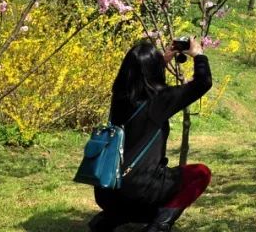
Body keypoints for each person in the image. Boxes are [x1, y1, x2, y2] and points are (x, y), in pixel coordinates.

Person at [89, 38, 212, 232]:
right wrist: (199, 55)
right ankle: (159, 225)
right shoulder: (160, 100)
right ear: (153, 71)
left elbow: (140, 77)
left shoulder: (120, 96)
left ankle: (112, 217)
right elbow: (202, 83)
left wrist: (161, 61)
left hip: (106, 191)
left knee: (129, 191)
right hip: (140, 193)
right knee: (200, 173)